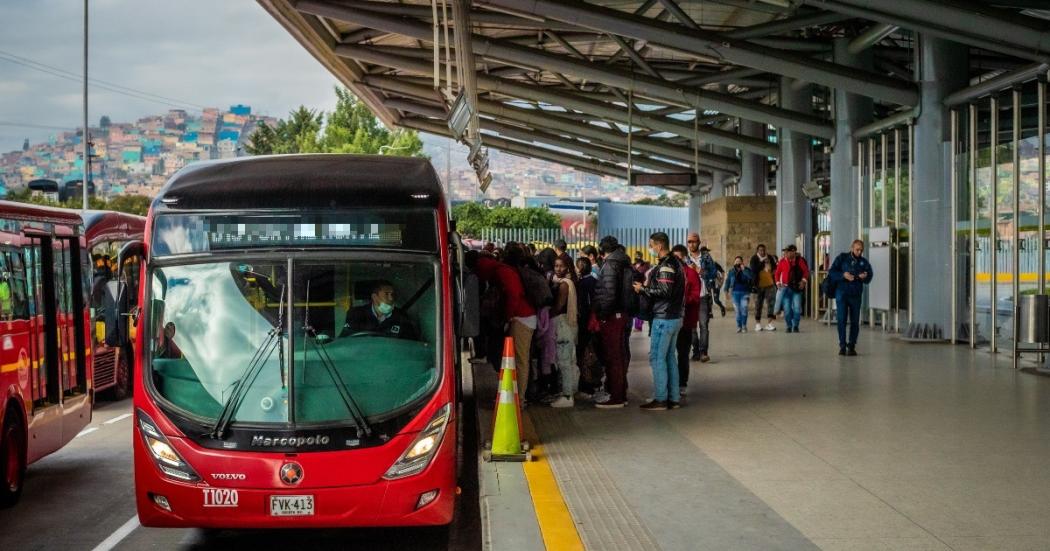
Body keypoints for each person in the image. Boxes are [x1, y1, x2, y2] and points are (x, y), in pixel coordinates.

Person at [468, 252, 537, 400]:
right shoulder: (499, 270)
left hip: (521, 318)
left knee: (519, 360)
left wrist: (508, 317)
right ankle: (515, 395)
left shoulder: (502, 272)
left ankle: (520, 398)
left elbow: (514, 295)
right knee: (514, 359)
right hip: (519, 317)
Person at [633, 232, 685, 411]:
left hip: (664, 318)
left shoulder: (666, 266)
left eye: (652, 245)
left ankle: (661, 399)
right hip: (674, 316)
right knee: (669, 357)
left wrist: (643, 289)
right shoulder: (676, 263)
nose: (651, 249)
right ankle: (674, 398)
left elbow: (664, 291)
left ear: (659, 246)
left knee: (656, 357)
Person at [593, 236, 632, 408]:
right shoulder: (623, 262)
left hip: (612, 316)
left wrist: (602, 314)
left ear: (602, 250)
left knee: (613, 357)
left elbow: (609, 293)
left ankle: (616, 396)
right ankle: (620, 393)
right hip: (622, 314)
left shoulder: (610, 265)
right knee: (620, 355)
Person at [828, 239, 874, 356]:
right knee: (841, 320)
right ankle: (842, 345)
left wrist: (865, 277)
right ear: (852, 248)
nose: (859, 252)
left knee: (854, 321)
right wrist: (843, 275)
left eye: (861, 250)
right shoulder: (842, 258)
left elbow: (869, 276)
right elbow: (832, 272)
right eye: (857, 249)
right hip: (842, 294)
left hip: (856, 295)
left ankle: (852, 345)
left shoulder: (864, 262)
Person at [341, 280, 418, 339]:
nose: (391, 298)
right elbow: (345, 340)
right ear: (375, 297)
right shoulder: (356, 314)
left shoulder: (402, 316)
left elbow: (411, 345)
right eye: (386, 294)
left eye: (392, 294)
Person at [548, 257, 579, 407]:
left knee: (564, 361)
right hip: (568, 325)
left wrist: (547, 316)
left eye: (561, 266)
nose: (558, 269)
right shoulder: (566, 282)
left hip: (563, 325)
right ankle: (569, 391)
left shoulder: (564, 285)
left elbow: (559, 306)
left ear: (568, 267)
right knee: (569, 360)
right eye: (556, 265)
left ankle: (567, 396)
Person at [671, 244, 700, 397]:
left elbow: (695, 297)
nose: (676, 260)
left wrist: (680, 300)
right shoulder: (670, 274)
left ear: (683, 257)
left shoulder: (692, 274)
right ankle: (671, 381)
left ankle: (682, 382)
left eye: (678, 257)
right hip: (670, 319)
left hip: (686, 321)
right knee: (669, 353)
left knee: (682, 353)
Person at [575, 257, 602, 399]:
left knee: (583, 353)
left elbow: (584, 305)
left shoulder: (582, 284)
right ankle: (595, 382)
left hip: (585, 323)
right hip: (595, 322)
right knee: (594, 352)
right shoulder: (595, 281)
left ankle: (586, 385)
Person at [775, 245, 810, 333]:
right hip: (785, 288)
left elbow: (806, 271)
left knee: (797, 308)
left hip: (796, 288)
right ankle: (789, 326)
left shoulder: (799, 261)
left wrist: (803, 281)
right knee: (787, 309)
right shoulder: (782, 261)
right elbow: (777, 273)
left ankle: (795, 325)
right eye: (785, 252)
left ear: (793, 252)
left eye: (788, 252)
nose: (786, 253)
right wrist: (778, 283)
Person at [749, 244, 778, 332]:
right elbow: (754, 269)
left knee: (771, 304)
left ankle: (769, 323)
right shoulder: (754, 258)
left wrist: (772, 272)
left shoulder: (770, 257)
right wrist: (763, 262)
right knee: (759, 305)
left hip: (770, 284)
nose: (762, 252)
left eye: (764, 250)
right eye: (760, 250)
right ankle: (758, 324)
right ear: (757, 251)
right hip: (759, 286)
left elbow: (775, 267)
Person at [723, 256, 754, 333]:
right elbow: (727, 281)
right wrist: (726, 291)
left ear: (742, 262)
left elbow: (751, 277)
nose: (737, 262)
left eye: (739, 261)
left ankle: (744, 326)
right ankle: (739, 326)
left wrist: (744, 270)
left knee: (744, 309)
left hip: (745, 293)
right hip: (735, 293)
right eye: (736, 261)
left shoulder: (747, 270)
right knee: (738, 311)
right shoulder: (731, 271)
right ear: (734, 262)